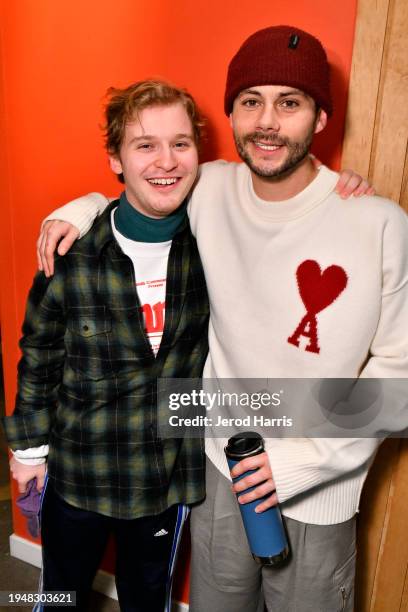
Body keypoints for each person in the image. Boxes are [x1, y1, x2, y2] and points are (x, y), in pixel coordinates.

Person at [32, 27, 389, 612]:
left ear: (321, 118)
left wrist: (303, 464)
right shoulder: (209, 188)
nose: (268, 121)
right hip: (218, 470)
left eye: (290, 102)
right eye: (252, 101)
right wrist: (83, 207)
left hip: (319, 491)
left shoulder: (378, 223)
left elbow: (399, 374)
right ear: (233, 114)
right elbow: (143, 192)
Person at [3, 80, 210, 612]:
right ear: (116, 160)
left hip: (165, 477)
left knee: (149, 600)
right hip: (78, 472)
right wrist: (27, 453)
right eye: (145, 145)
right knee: (58, 596)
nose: (166, 160)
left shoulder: (216, 244)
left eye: (180, 143)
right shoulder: (71, 250)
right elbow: (40, 351)